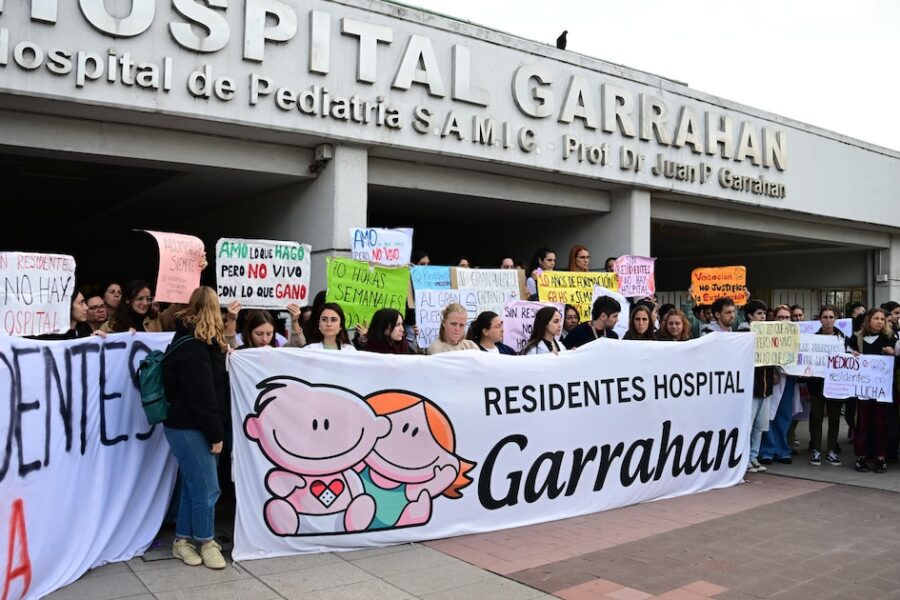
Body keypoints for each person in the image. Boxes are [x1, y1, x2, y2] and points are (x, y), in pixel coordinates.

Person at [162, 286, 229, 570]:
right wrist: (216, 434)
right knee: (207, 489)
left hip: (187, 425)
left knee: (193, 486)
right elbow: (203, 397)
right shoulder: (195, 347)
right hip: (191, 427)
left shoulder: (193, 340)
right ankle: (206, 541)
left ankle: (182, 541)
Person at [849, 308, 894, 473]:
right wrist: (851, 354)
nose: (880, 322)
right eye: (876, 318)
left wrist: (892, 352)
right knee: (862, 422)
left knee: (880, 422)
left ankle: (880, 457)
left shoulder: (889, 337)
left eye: (882, 319)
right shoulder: (857, 337)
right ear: (869, 320)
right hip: (863, 389)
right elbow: (847, 353)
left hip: (882, 390)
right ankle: (861, 456)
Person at [807, 305, 845, 466]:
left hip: (836, 386)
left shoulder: (843, 339)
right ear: (820, 319)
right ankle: (816, 450)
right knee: (816, 418)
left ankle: (831, 451)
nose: (828, 320)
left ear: (836, 319)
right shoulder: (813, 338)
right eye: (825, 317)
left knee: (835, 419)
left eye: (831, 317)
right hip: (817, 385)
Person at [740, 299, 775, 474]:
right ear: (750, 316)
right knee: (748, 424)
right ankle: (744, 458)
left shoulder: (769, 332)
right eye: (759, 314)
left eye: (764, 314)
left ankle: (753, 456)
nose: (763, 317)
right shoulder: (743, 332)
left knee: (760, 426)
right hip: (751, 388)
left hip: (766, 387)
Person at [756, 304, 794, 466]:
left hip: (789, 378)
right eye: (780, 317)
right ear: (774, 318)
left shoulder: (797, 335)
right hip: (771, 378)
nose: (784, 320)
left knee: (784, 415)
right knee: (768, 415)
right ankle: (766, 451)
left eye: (787, 317)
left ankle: (782, 450)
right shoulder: (766, 334)